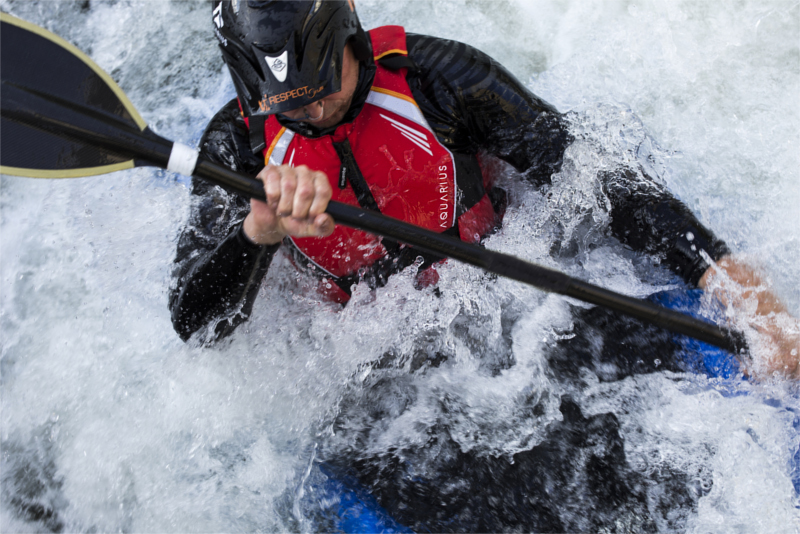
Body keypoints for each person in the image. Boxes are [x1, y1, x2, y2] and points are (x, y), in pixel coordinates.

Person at [167, 2, 798, 530]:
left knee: (656, 476)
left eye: (320, 91)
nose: (308, 115)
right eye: (288, 106)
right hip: (379, 375)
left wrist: (733, 283)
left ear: (347, 32)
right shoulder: (237, 150)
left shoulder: (441, 80)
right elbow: (195, 324)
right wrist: (259, 232)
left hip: (515, 309)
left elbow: (597, 180)